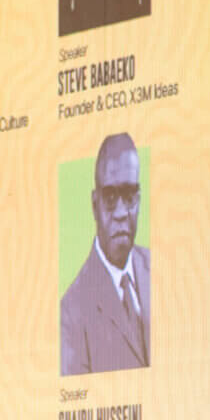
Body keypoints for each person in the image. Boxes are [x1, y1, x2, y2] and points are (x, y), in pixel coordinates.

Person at [60, 132, 150, 376]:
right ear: (94, 205)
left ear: (139, 201)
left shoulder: (157, 268)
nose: (121, 212)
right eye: (110, 198)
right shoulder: (71, 311)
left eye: (129, 196)